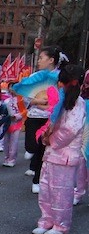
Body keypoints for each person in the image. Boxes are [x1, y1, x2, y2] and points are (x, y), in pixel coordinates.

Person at [32, 65, 86, 234]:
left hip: (65, 154)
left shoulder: (79, 103)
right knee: (46, 189)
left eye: (62, 83)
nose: (60, 86)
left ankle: (60, 224)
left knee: (61, 191)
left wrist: (51, 139)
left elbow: (71, 129)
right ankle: (46, 220)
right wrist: (46, 134)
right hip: (51, 153)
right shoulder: (60, 103)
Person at [23, 46, 68, 193]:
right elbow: (26, 97)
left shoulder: (60, 78)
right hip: (34, 116)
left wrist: (50, 107)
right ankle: (33, 157)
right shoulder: (34, 77)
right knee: (32, 146)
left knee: (43, 150)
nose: (39, 61)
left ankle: (37, 180)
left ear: (51, 60)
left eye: (41, 58)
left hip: (49, 119)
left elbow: (61, 98)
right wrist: (37, 102)